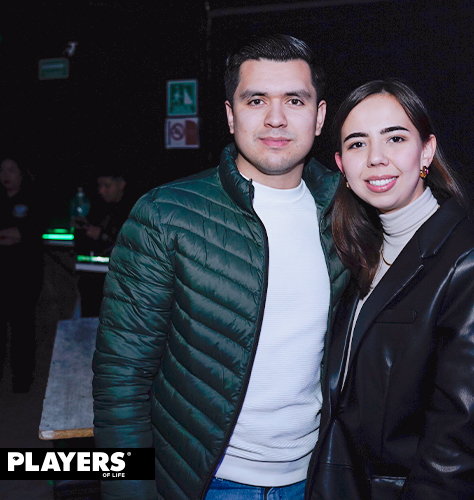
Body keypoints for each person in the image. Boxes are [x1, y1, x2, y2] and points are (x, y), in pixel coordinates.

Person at [92, 34, 349, 500]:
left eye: (295, 100)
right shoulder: (166, 215)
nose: (276, 118)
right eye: (256, 100)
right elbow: (121, 380)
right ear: (231, 116)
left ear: (319, 116)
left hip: (317, 478)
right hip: (208, 482)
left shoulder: (348, 215)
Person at [305, 79, 474, 500]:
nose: (376, 158)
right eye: (357, 144)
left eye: (395, 138)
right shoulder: (355, 255)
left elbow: (458, 448)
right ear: (341, 166)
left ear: (426, 151)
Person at [0, 156, 44, 393]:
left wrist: (1, 236)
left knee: (23, 328)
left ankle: (22, 381)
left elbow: (23, 233)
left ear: (21, 173)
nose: (6, 175)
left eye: (11, 170)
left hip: (24, 276)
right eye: (2, 170)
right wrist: (5, 237)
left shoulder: (33, 200)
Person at [75, 171, 133, 317]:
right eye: (99, 186)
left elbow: (131, 245)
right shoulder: (96, 207)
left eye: (107, 185)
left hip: (121, 285)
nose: (101, 190)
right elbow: (82, 243)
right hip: (93, 279)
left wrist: (102, 235)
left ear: (121, 184)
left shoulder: (135, 210)